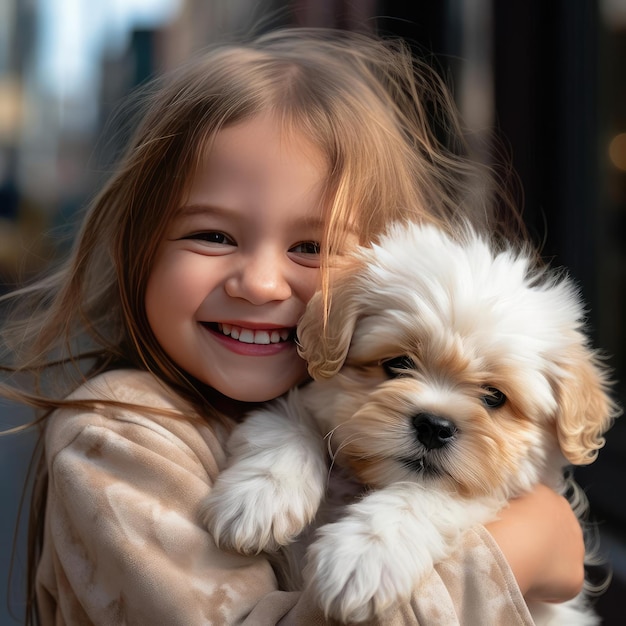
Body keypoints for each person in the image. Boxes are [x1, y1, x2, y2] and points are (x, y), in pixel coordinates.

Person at [1, 27, 585, 625]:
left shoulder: (316, 398)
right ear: (140, 247)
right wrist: (525, 545)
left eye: (311, 246)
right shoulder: (119, 434)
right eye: (212, 235)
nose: (259, 282)